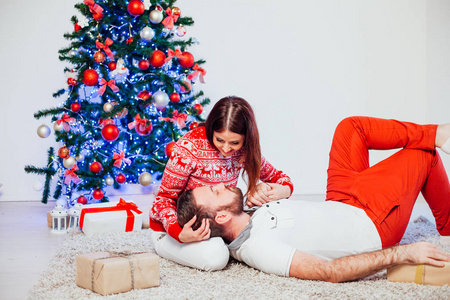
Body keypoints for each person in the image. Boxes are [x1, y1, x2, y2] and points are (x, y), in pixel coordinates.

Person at [177, 116, 450, 282]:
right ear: (222, 216)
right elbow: (330, 272)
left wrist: (276, 191)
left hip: (341, 202)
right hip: (371, 223)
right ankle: (448, 228)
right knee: (423, 156)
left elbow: (282, 181)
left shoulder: (245, 211)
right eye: (215, 192)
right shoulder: (259, 248)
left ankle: (438, 133)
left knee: (350, 127)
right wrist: (404, 253)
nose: (220, 185)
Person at [150, 96, 294, 271]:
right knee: (216, 255)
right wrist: (178, 233)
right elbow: (163, 199)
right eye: (219, 140)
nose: (226, 149)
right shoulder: (189, 147)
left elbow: (280, 179)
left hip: (217, 227)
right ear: (211, 130)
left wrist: (282, 191)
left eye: (234, 142)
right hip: (173, 230)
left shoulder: (245, 151)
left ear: (246, 138)